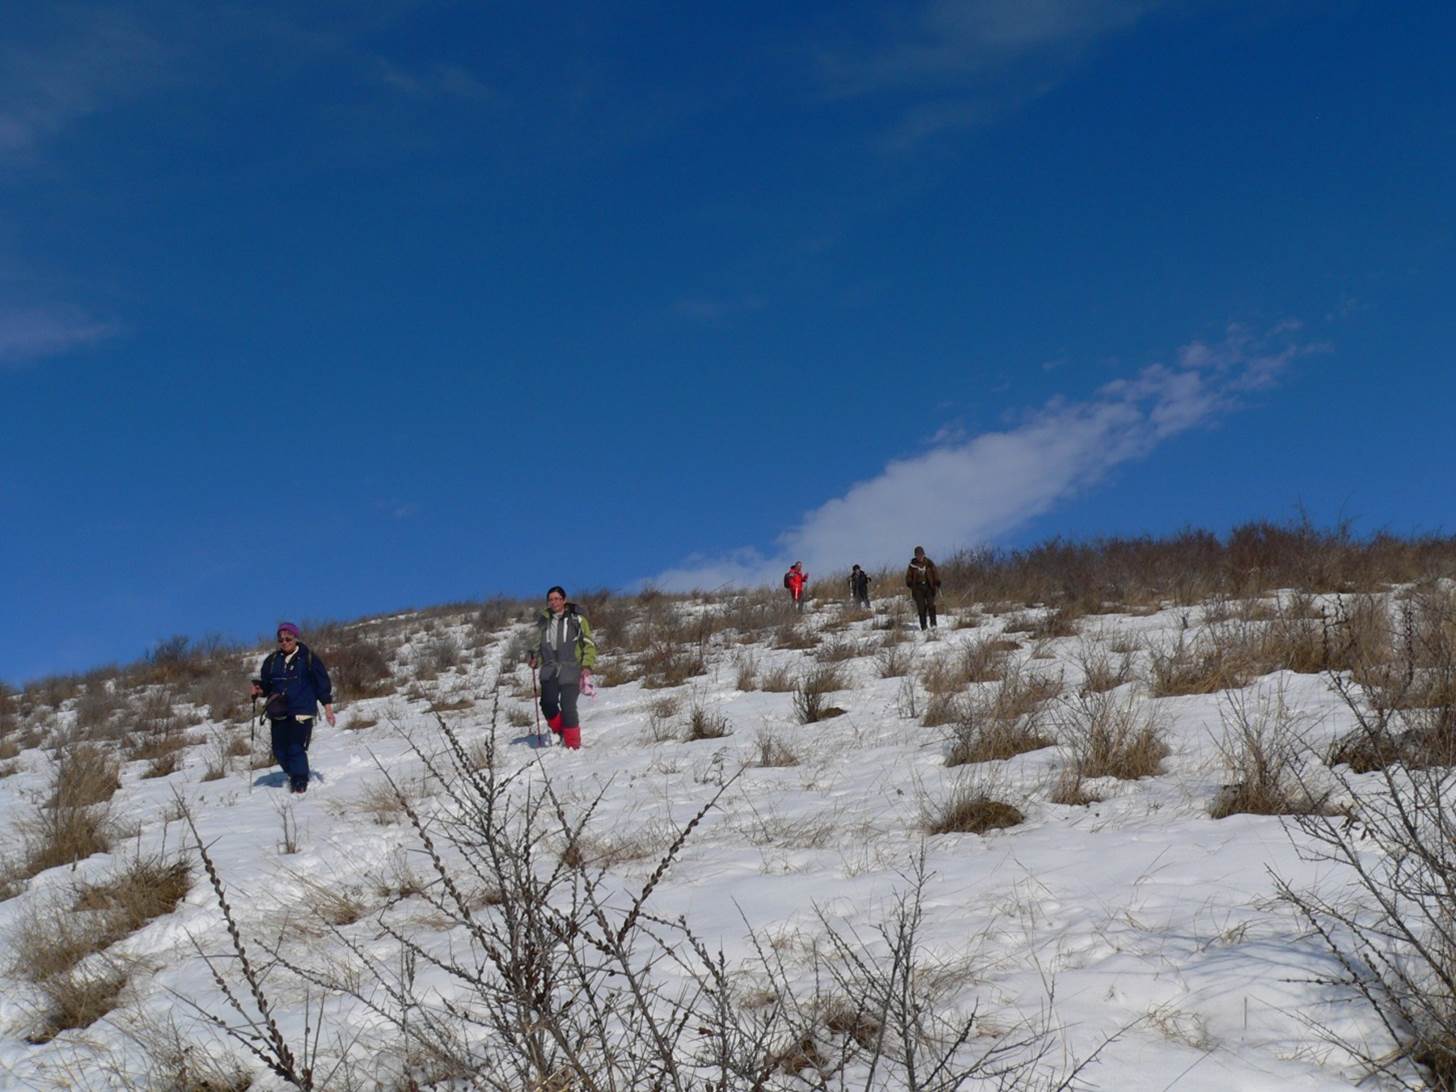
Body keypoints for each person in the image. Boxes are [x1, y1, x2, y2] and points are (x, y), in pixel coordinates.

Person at [251, 622, 334, 793]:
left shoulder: (308, 658)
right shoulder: (272, 661)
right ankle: (294, 772)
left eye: (288, 639)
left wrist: (327, 707)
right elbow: (267, 686)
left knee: (295, 746)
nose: (285, 642)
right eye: (281, 640)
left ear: (295, 638)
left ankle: (300, 780)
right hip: (279, 710)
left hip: (302, 709)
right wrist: (259, 690)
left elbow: (321, 683)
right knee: (279, 750)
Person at [527, 586, 597, 749]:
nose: (554, 602)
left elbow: (588, 643)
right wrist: (533, 657)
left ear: (564, 600)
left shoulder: (577, 619)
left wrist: (587, 664)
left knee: (568, 705)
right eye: (551, 599)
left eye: (557, 599)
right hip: (549, 669)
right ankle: (561, 731)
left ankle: (573, 745)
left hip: (571, 668)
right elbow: (535, 645)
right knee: (547, 703)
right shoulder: (543, 621)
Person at [905, 546, 941, 631]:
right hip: (918, 588)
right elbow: (908, 576)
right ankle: (924, 626)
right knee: (921, 607)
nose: (919, 556)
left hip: (929, 586)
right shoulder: (912, 565)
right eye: (918, 555)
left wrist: (937, 581)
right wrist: (909, 582)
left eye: (921, 554)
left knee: (931, 605)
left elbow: (935, 572)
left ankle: (933, 624)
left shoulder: (929, 563)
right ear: (915, 555)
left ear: (923, 554)